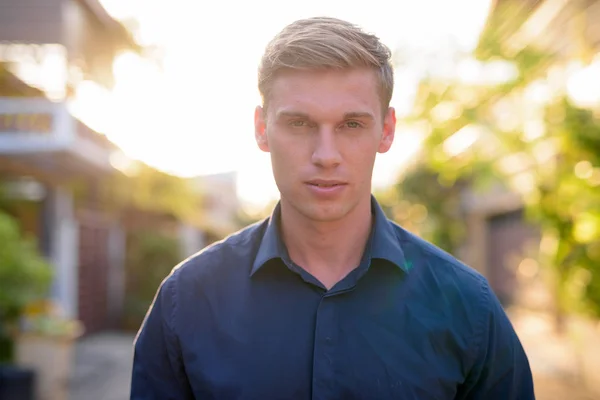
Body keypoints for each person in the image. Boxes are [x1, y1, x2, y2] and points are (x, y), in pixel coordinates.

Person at [130, 17, 534, 400]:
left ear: (387, 130)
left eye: (351, 125)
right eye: (300, 124)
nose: (326, 155)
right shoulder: (186, 301)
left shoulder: (467, 306)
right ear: (261, 128)